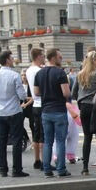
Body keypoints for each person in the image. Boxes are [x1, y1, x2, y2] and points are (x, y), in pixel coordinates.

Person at [0, 50, 28, 178]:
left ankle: (3, 169)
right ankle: (16, 169)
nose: (13, 60)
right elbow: (22, 95)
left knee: (1, 141)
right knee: (16, 140)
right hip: (14, 111)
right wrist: (21, 99)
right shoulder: (15, 75)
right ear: (7, 60)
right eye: (11, 58)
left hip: (0, 112)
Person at [70, 51, 96, 176]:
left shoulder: (80, 75)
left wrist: (82, 98)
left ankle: (85, 168)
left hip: (84, 108)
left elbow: (73, 93)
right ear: (94, 61)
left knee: (87, 138)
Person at [34, 48, 72, 177]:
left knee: (47, 142)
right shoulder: (60, 73)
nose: (61, 59)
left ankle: (47, 170)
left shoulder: (39, 73)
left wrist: (47, 92)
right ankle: (61, 169)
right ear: (53, 58)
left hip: (45, 111)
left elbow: (36, 92)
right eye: (60, 57)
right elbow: (66, 93)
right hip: (59, 110)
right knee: (60, 141)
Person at [23, 48, 46, 169]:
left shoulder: (28, 70)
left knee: (36, 133)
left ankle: (37, 160)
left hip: (35, 105)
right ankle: (44, 160)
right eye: (43, 56)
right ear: (38, 57)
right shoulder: (39, 71)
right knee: (43, 134)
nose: (44, 58)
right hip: (42, 103)